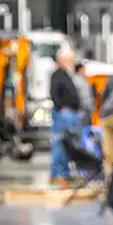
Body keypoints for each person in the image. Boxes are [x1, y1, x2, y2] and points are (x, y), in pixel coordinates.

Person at [46, 45, 85, 185]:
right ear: (62, 60)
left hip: (69, 113)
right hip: (64, 114)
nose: (73, 63)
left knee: (68, 144)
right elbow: (55, 94)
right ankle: (58, 174)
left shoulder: (65, 75)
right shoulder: (58, 75)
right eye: (70, 60)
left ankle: (64, 173)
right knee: (61, 143)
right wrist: (62, 107)